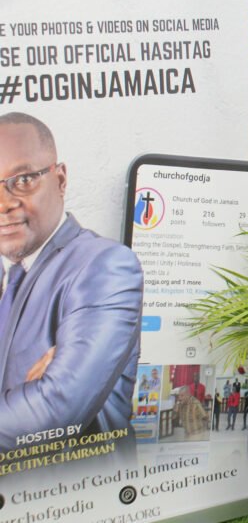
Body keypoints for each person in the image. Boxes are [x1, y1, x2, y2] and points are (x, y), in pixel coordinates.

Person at [0, 112, 142, 452]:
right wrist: (24, 395)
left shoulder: (104, 265)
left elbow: (53, 409)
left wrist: (43, 393)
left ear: (60, 179)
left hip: (76, 496)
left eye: (22, 180)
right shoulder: (7, 274)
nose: (4, 204)